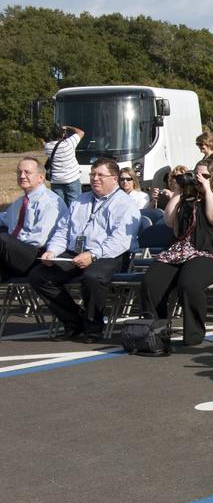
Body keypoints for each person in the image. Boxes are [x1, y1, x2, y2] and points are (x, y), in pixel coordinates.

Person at [30, 157, 141, 340]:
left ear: (114, 178)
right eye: (92, 174)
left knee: (92, 277)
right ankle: (73, 320)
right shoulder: (80, 200)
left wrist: (93, 254)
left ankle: (93, 327)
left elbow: (120, 241)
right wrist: (52, 251)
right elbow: (63, 230)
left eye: (100, 175)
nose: (95, 178)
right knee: (40, 276)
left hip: (109, 255)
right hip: (75, 252)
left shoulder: (125, 204)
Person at [140, 160, 213, 346]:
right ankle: (156, 333)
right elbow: (170, 222)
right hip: (181, 253)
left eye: (205, 176)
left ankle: (193, 334)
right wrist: (179, 191)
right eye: (197, 175)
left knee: (189, 282)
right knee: (151, 281)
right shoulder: (189, 200)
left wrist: (207, 190)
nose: (199, 179)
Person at [0, 157, 67, 280]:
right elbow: (5, 218)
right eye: (19, 172)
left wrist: (11, 242)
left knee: (3, 238)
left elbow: (39, 240)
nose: (22, 176)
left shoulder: (50, 202)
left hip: (38, 258)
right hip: (15, 254)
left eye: (27, 172)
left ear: (41, 177)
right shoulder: (20, 202)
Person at [44, 123, 86, 207]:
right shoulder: (68, 144)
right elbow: (81, 132)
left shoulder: (47, 147)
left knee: (59, 206)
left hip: (56, 180)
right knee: (74, 206)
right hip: (72, 179)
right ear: (63, 134)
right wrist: (67, 127)